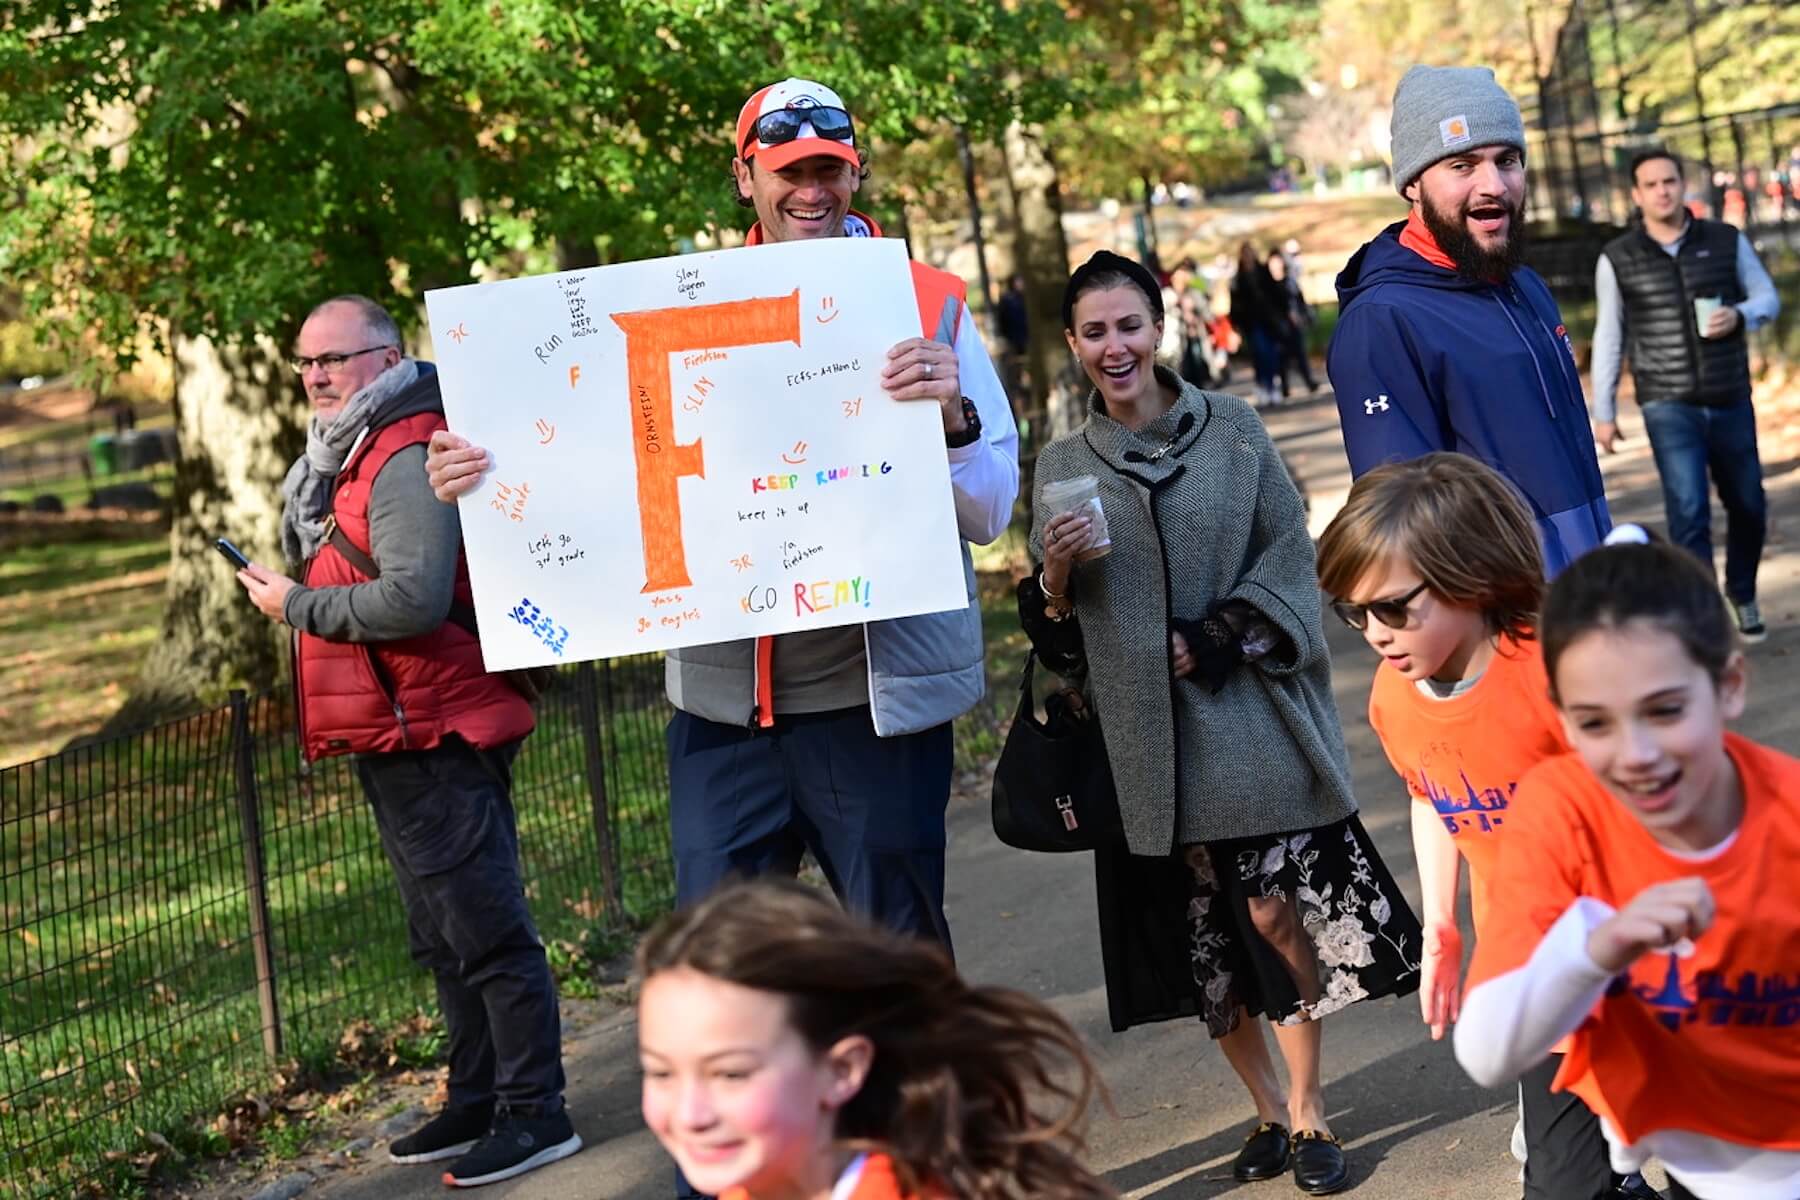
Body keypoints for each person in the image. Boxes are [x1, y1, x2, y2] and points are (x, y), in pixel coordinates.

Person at [429, 82, 1015, 941]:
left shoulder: (928, 300)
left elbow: (990, 511)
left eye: (830, 169)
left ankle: (919, 1084)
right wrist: (479, 476)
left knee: (902, 968)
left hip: (873, 715)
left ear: (857, 176)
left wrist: (954, 420)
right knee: (721, 977)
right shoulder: (674, 300)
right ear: (745, 178)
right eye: (787, 170)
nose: (811, 190)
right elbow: (582, 463)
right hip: (724, 718)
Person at [1019, 250, 1422, 1197]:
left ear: (1158, 329)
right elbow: (1054, 637)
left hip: (1243, 717)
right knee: (1198, 939)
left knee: (1275, 915)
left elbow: (1292, 547)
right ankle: (1267, 1112)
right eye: (1094, 332)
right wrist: (1056, 576)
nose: (1114, 347)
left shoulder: (1233, 430)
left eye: (1129, 326)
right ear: (1075, 347)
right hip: (1142, 746)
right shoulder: (1064, 465)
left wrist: (1213, 634)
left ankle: (1313, 1107)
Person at [235, 296, 580, 1187]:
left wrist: (294, 606)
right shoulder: (353, 451)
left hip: (435, 723)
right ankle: (475, 1098)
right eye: (306, 362)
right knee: (442, 933)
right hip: (399, 724)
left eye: (334, 360)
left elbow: (413, 598)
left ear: (386, 359)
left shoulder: (399, 454)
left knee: (489, 931)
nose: (316, 376)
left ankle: (535, 1113)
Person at [1315, 454, 1657, 1200]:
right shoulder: (1394, 699)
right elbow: (1434, 796)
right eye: (1354, 612)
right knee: (1565, 1188)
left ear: (1470, 577)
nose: (1374, 632)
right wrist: (1442, 925)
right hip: (1540, 976)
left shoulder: (1553, 671)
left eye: (1395, 608)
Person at [1455, 536, 1800, 1200]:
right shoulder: (1560, 805)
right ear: (1561, 716)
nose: (1635, 753)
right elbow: (1487, 1052)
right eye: (1595, 722)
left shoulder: (1786, 824)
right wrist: (1600, 948)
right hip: (1672, 1137)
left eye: (1664, 710)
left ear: (1728, 687)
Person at [636, 878, 1116, 1200]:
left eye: (730, 1074)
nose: (689, 1114)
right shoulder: (749, 1185)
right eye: (661, 1072)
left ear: (841, 1070)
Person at [1327, 65, 1610, 575]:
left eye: (1507, 160)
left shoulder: (1524, 285)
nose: (1493, 185)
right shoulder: (1382, 321)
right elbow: (1405, 524)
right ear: (1412, 183)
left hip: (1583, 593)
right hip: (1503, 616)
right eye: (1462, 165)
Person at [1590, 148, 1782, 644]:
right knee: (1688, 509)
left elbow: (1767, 297)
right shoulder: (1618, 258)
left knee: (1749, 505)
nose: (1662, 191)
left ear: (1683, 185)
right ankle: (1705, 615)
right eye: (1650, 185)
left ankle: (1741, 591)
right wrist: (1605, 412)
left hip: (1728, 394)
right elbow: (1610, 334)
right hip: (1666, 401)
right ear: (1636, 195)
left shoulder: (1724, 240)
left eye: (1669, 181)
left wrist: (1740, 315)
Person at [1229, 241, 1290, 407]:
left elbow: (1276, 294)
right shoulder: (1239, 278)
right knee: (1259, 353)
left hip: (1268, 320)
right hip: (1251, 322)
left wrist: (1283, 313)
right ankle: (1264, 384)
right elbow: (1235, 303)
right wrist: (1235, 323)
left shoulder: (1263, 272)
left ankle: (1272, 384)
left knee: (1270, 353)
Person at [1265, 249, 1319, 398]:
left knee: (1300, 352)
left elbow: (1299, 299)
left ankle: (1308, 381)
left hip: (1294, 322)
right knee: (1282, 356)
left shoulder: (1290, 281)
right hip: (1278, 324)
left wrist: (1303, 315)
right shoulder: (1267, 285)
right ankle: (1285, 386)